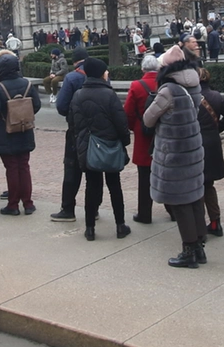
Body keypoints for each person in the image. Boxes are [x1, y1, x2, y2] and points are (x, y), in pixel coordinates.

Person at [143, 45, 208, 268]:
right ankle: (199, 247)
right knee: (195, 197)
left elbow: (148, 119)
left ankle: (189, 250)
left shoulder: (168, 90)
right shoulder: (194, 83)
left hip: (175, 152)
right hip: (193, 147)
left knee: (180, 203)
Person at [69, 57, 132, 240]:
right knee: (115, 186)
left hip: (88, 147)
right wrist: (124, 141)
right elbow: (121, 122)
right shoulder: (109, 95)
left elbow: (72, 122)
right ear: (100, 73)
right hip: (110, 145)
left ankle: (90, 229)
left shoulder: (78, 95)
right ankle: (120, 225)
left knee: (92, 186)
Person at [0, 50, 40, 216]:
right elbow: (36, 105)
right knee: (24, 166)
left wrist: (5, 117)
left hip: (5, 134)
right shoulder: (27, 84)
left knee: (11, 168)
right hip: (25, 131)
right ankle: (28, 204)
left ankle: (13, 205)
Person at [51, 47, 90, 222]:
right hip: (96, 130)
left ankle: (68, 209)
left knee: (71, 169)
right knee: (93, 172)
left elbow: (61, 105)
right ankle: (93, 209)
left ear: (74, 61)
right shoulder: (100, 73)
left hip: (76, 130)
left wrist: (71, 114)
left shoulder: (73, 77)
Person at [124, 53, 161, 225]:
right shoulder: (165, 84)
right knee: (166, 175)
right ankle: (174, 210)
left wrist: (135, 127)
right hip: (163, 134)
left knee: (144, 178)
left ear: (142, 69)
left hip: (143, 135)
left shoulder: (137, 86)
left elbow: (128, 113)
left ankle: (145, 214)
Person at [197, 68, 224, 237]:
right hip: (212, 142)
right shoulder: (217, 96)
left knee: (196, 186)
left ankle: (199, 224)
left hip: (196, 143)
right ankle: (215, 222)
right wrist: (218, 128)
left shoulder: (191, 98)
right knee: (209, 185)